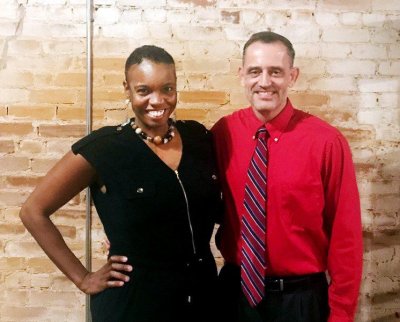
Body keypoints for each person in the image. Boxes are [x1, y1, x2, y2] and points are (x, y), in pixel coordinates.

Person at [19, 45, 223, 322]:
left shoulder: (198, 138)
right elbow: (33, 211)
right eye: (144, 90)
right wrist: (83, 278)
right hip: (134, 304)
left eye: (167, 88)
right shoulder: (104, 148)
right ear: (126, 89)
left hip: (203, 299)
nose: (157, 100)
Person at [211, 31, 363, 322]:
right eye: (255, 71)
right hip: (235, 296)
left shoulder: (326, 142)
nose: (265, 82)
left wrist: (341, 314)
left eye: (276, 72)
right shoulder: (223, 134)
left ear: (292, 76)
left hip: (301, 301)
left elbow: (346, 238)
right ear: (241, 74)